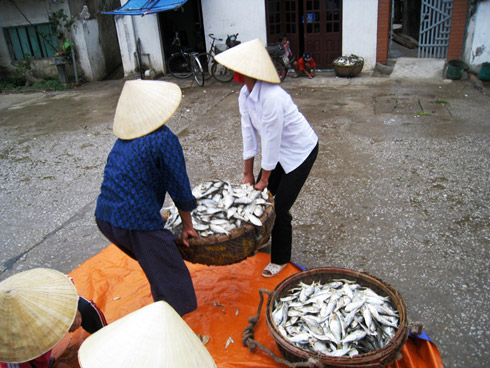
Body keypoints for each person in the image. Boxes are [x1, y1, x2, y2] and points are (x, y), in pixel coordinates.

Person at [215, 39, 319, 278]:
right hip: (280, 153)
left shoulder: (272, 96)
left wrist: (264, 178)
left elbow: (271, 140)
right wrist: (247, 173)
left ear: (248, 71)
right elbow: (248, 133)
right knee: (260, 197)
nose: (233, 73)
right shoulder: (245, 94)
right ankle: (263, 237)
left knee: (278, 206)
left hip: (302, 151)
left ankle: (281, 258)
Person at [95, 80, 198, 317]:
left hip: (105, 218)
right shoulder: (164, 139)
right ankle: (174, 335)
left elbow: (126, 183)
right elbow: (180, 187)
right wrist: (188, 225)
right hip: (135, 222)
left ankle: (164, 307)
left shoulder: (123, 141)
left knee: (158, 267)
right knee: (175, 281)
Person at [0, 268, 106, 368]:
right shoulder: (10, 352)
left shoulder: (34, 287)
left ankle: (107, 335)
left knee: (84, 307)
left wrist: (73, 306)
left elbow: (65, 282)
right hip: (28, 354)